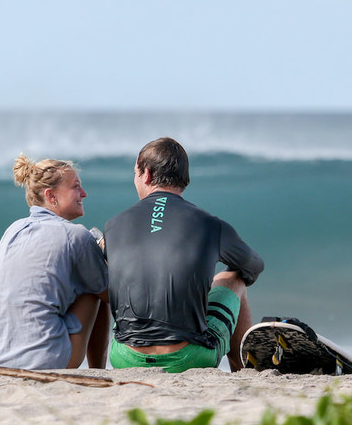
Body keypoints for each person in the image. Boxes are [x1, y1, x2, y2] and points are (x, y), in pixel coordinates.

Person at [104, 137, 263, 373]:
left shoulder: (113, 226)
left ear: (146, 174)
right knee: (235, 278)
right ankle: (242, 373)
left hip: (124, 357)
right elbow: (253, 266)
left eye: (135, 173)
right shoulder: (209, 224)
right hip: (189, 357)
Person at [0, 154, 109, 370]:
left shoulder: (13, 230)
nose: (84, 193)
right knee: (94, 286)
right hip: (44, 360)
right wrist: (101, 254)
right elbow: (110, 293)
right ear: (51, 196)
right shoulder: (76, 235)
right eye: (76, 187)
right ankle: (98, 370)